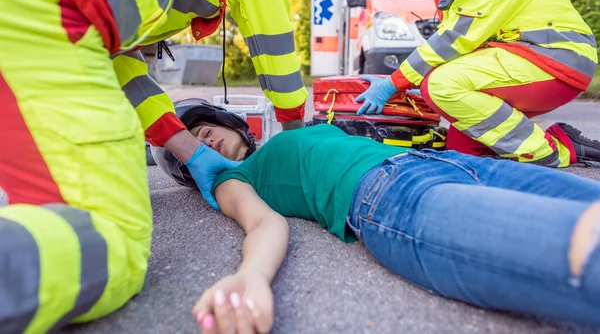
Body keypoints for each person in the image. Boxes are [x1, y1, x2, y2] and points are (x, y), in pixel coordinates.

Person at [0, 0, 307, 332]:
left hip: (38, 0)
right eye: (201, 134)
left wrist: (188, 148)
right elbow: (268, 17)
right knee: (111, 239)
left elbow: (116, 61)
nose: (208, 142)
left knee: (53, 218)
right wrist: (294, 125)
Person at [152, 102, 600, 333]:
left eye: (204, 125)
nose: (202, 136)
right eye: (192, 141)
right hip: (390, 197)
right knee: (581, 248)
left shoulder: (287, 136)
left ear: (230, 122)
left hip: (442, 163)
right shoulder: (231, 180)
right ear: (192, 169)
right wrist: (252, 276)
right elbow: (264, 223)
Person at [356, 0, 599, 168]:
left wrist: (394, 82)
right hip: (527, 56)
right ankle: (568, 142)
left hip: (553, 58)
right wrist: (417, 84)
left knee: (442, 86)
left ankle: (548, 151)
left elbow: (456, 39)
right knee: (463, 150)